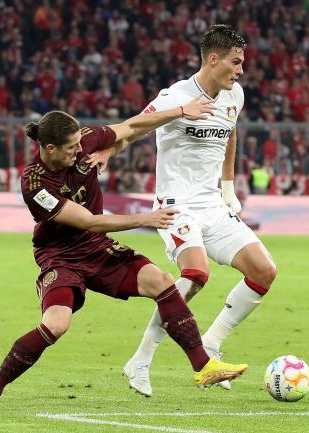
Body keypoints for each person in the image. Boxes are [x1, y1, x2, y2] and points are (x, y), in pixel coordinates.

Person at [0, 104, 248, 404]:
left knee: (162, 282)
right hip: (61, 256)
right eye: (71, 148)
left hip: (96, 247)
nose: (80, 151)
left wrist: (179, 111)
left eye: (80, 143)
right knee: (56, 324)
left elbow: (132, 126)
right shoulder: (35, 184)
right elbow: (89, 221)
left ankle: (203, 367)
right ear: (50, 149)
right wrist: (145, 219)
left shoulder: (85, 140)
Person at [91, 25, 276, 397]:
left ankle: (212, 344)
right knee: (195, 273)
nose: (241, 71)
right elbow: (134, 127)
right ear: (213, 59)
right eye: (236, 62)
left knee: (264, 270)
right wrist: (109, 149)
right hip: (176, 205)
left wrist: (228, 187)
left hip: (212, 204)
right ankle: (141, 359)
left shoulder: (235, 95)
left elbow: (231, 132)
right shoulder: (175, 96)